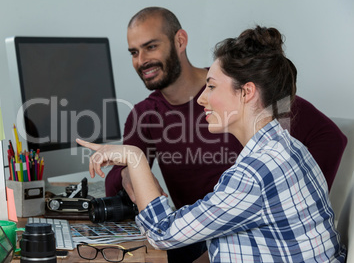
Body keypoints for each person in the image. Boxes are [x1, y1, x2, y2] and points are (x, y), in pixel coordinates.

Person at [77, 25, 346, 262]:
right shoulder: (289, 148)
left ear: (247, 92)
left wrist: (134, 158)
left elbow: (161, 232)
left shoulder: (253, 174)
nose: (201, 99)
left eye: (212, 87)